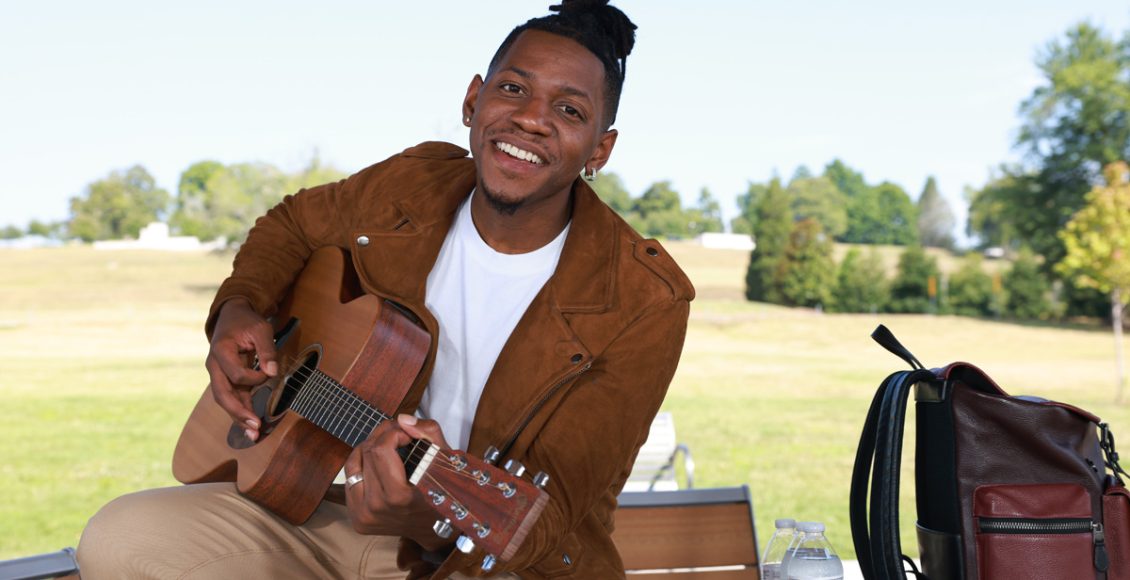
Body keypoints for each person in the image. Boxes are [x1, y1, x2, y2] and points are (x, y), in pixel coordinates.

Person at [77, 1, 693, 578]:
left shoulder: (645, 299)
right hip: (335, 509)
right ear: (473, 100)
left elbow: (549, 521)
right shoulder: (412, 184)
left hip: (485, 558)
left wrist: (425, 522)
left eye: (570, 111)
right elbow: (292, 225)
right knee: (119, 537)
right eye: (513, 89)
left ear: (600, 149)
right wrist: (237, 309)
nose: (531, 119)